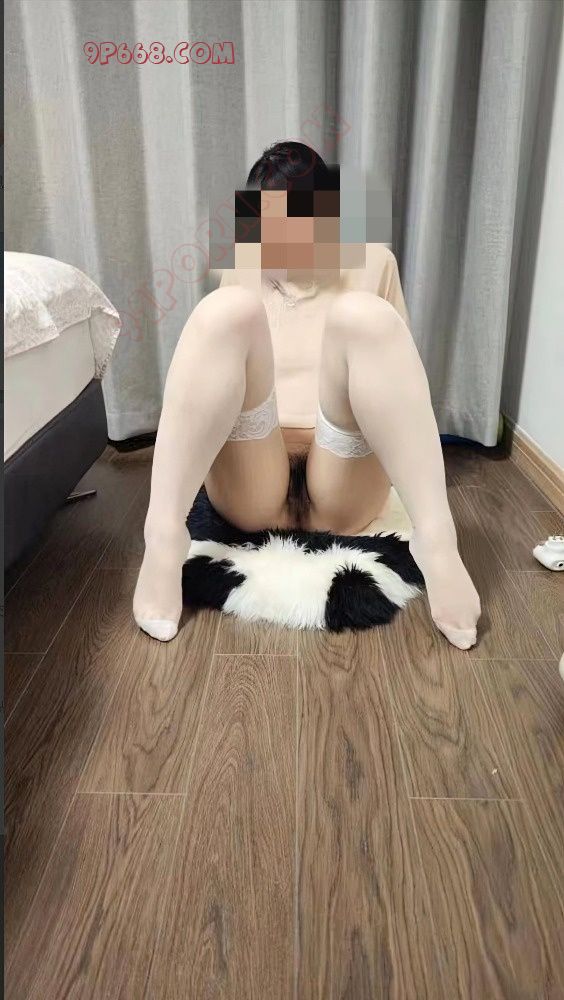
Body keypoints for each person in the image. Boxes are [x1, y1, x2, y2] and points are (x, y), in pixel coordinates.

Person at [133, 141, 481, 648]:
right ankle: (163, 538)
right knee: (225, 311)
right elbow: (218, 382)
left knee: (364, 317)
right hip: (254, 474)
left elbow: (400, 391)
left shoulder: (373, 263)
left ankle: (439, 541)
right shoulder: (243, 264)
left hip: (342, 475)